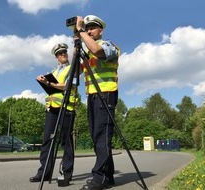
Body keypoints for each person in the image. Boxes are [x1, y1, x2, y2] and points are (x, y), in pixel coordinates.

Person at [75, 15, 120, 190]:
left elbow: (97, 51)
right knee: (97, 137)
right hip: (92, 96)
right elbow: (75, 70)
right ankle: (108, 176)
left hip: (106, 94)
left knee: (102, 135)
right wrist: (76, 45)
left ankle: (100, 177)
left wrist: (80, 32)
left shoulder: (108, 45)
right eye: (87, 27)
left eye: (92, 27)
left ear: (101, 30)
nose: (89, 30)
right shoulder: (87, 49)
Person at [30, 43, 77, 187]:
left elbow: (69, 85)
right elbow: (52, 90)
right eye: (60, 53)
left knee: (65, 141)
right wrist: (45, 82)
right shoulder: (54, 71)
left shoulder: (73, 68)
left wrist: (49, 83)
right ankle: (44, 172)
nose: (63, 54)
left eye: (64, 52)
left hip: (66, 108)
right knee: (47, 141)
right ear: (56, 57)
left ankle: (66, 174)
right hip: (52, 109)